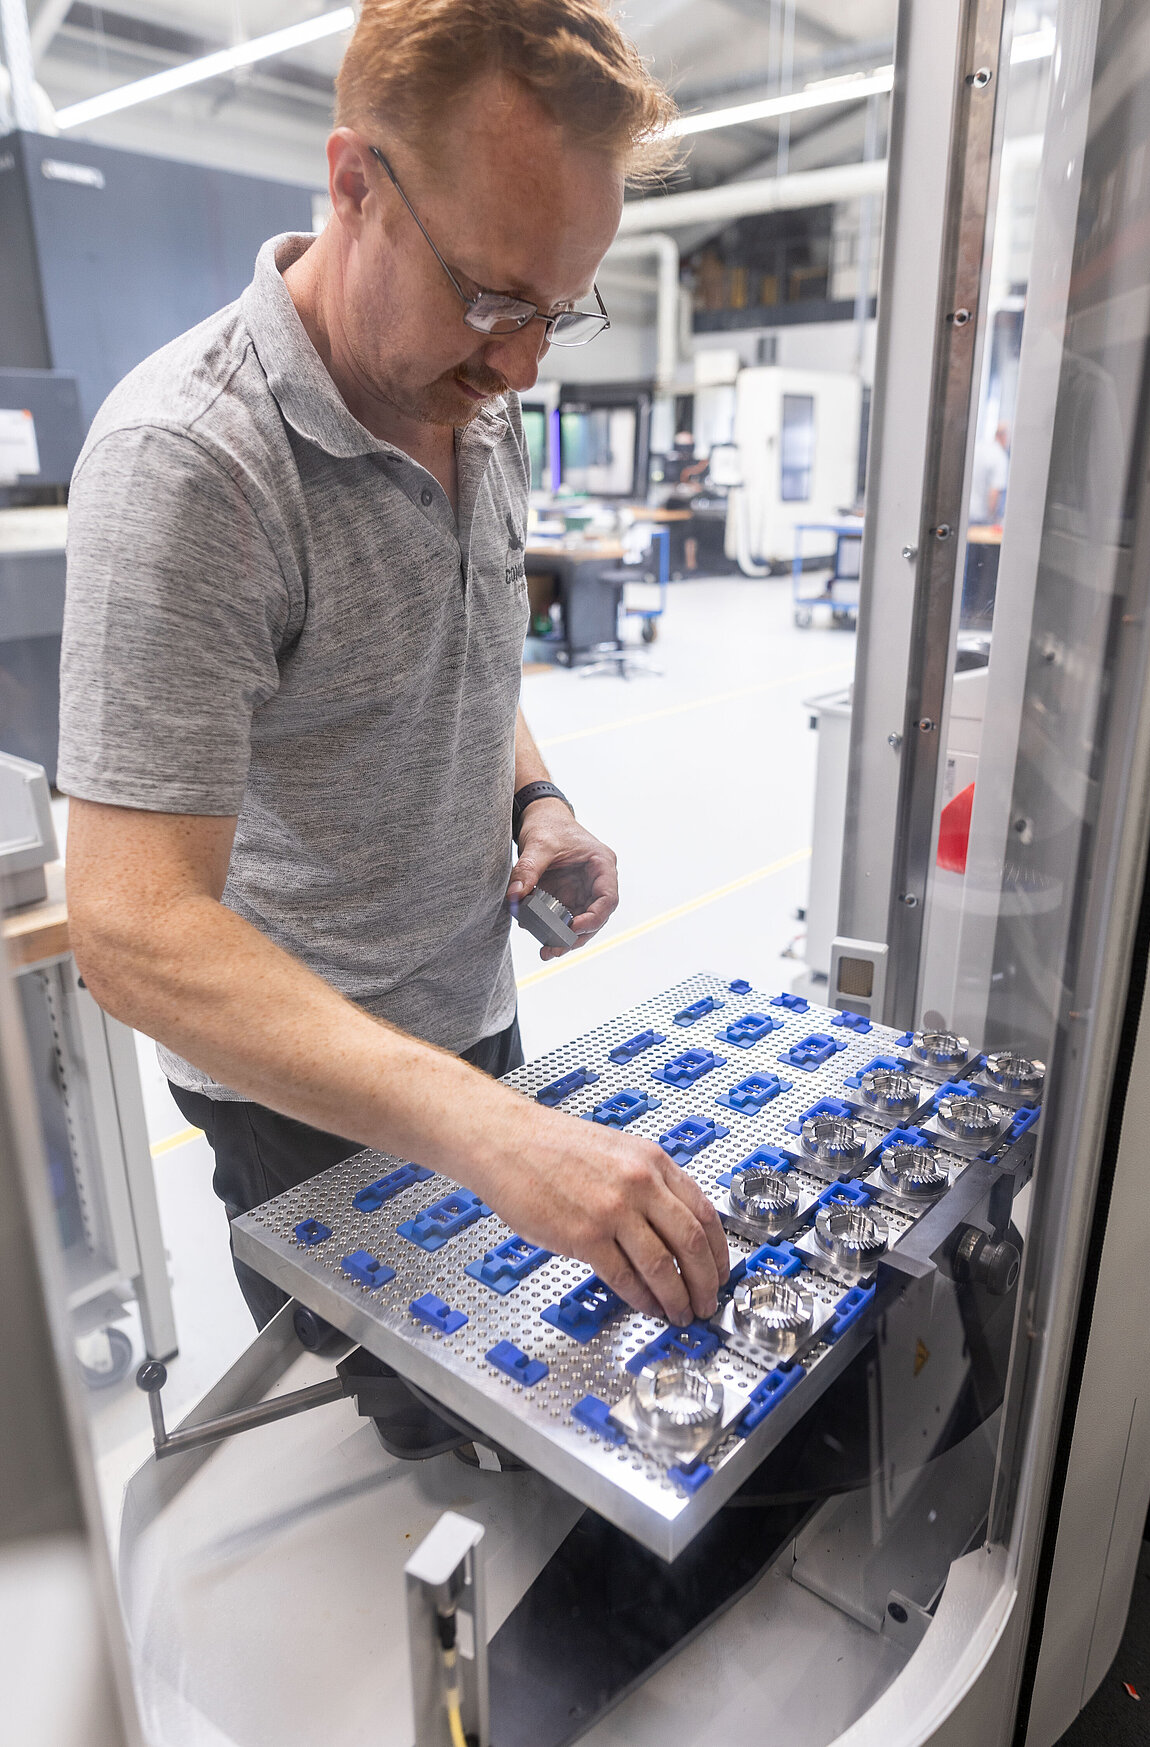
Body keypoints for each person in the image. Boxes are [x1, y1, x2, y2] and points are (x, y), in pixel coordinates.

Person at [58, 0, 728, 1331]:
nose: (525, 363)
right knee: (398, 1484)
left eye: (557, 309)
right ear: (354, 182)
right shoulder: (191, 465)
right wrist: (483, 1131)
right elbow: (130, 927)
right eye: (492, 298)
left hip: (474, 1023)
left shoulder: (471, 403)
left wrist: (536, 803)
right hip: (309, 1098)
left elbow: (460, 650)